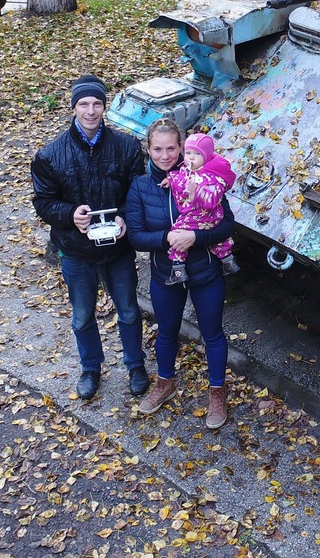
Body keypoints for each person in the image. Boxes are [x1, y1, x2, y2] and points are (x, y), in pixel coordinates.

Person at [31, 75, 150, 402]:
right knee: (83, 314)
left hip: (117, 248)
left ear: (104, 107)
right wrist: (71, 215)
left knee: (128, 309)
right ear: (73, 108)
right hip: (76, 250)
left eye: (97, 103)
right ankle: (91, 367)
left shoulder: (126, 147)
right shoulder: (50, 155)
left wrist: (126, 217)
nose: (91, 110)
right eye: (84, 104)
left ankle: (135, 365)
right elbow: (43, 202)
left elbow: (138, 192)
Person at [125, 118, 237, 430]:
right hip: (165, 273)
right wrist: (167, 239)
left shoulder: (204, 177)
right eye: (157, 149)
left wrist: (196, 238)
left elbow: (227, 224)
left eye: (171, 148)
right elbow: (135, 236)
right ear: (148, 149)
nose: (165, 156)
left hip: (204, 270)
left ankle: (216, 391)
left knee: (212, 333)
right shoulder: (140, 187)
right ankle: (165, 382)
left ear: (181, 147)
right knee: (167, 331)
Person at [160, 133, 239, 284]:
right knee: (218, 242)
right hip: (207, 216)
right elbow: (181, 177)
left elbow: (212, 198)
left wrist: (196, 193)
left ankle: (178, 269)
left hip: (206, 214)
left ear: (207, 156)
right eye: (188, 152)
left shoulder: (211, 176)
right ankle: (228, 262)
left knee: (178, 232)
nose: (191, 157)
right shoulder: (189, 170)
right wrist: (170, 178)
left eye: (197, 154)